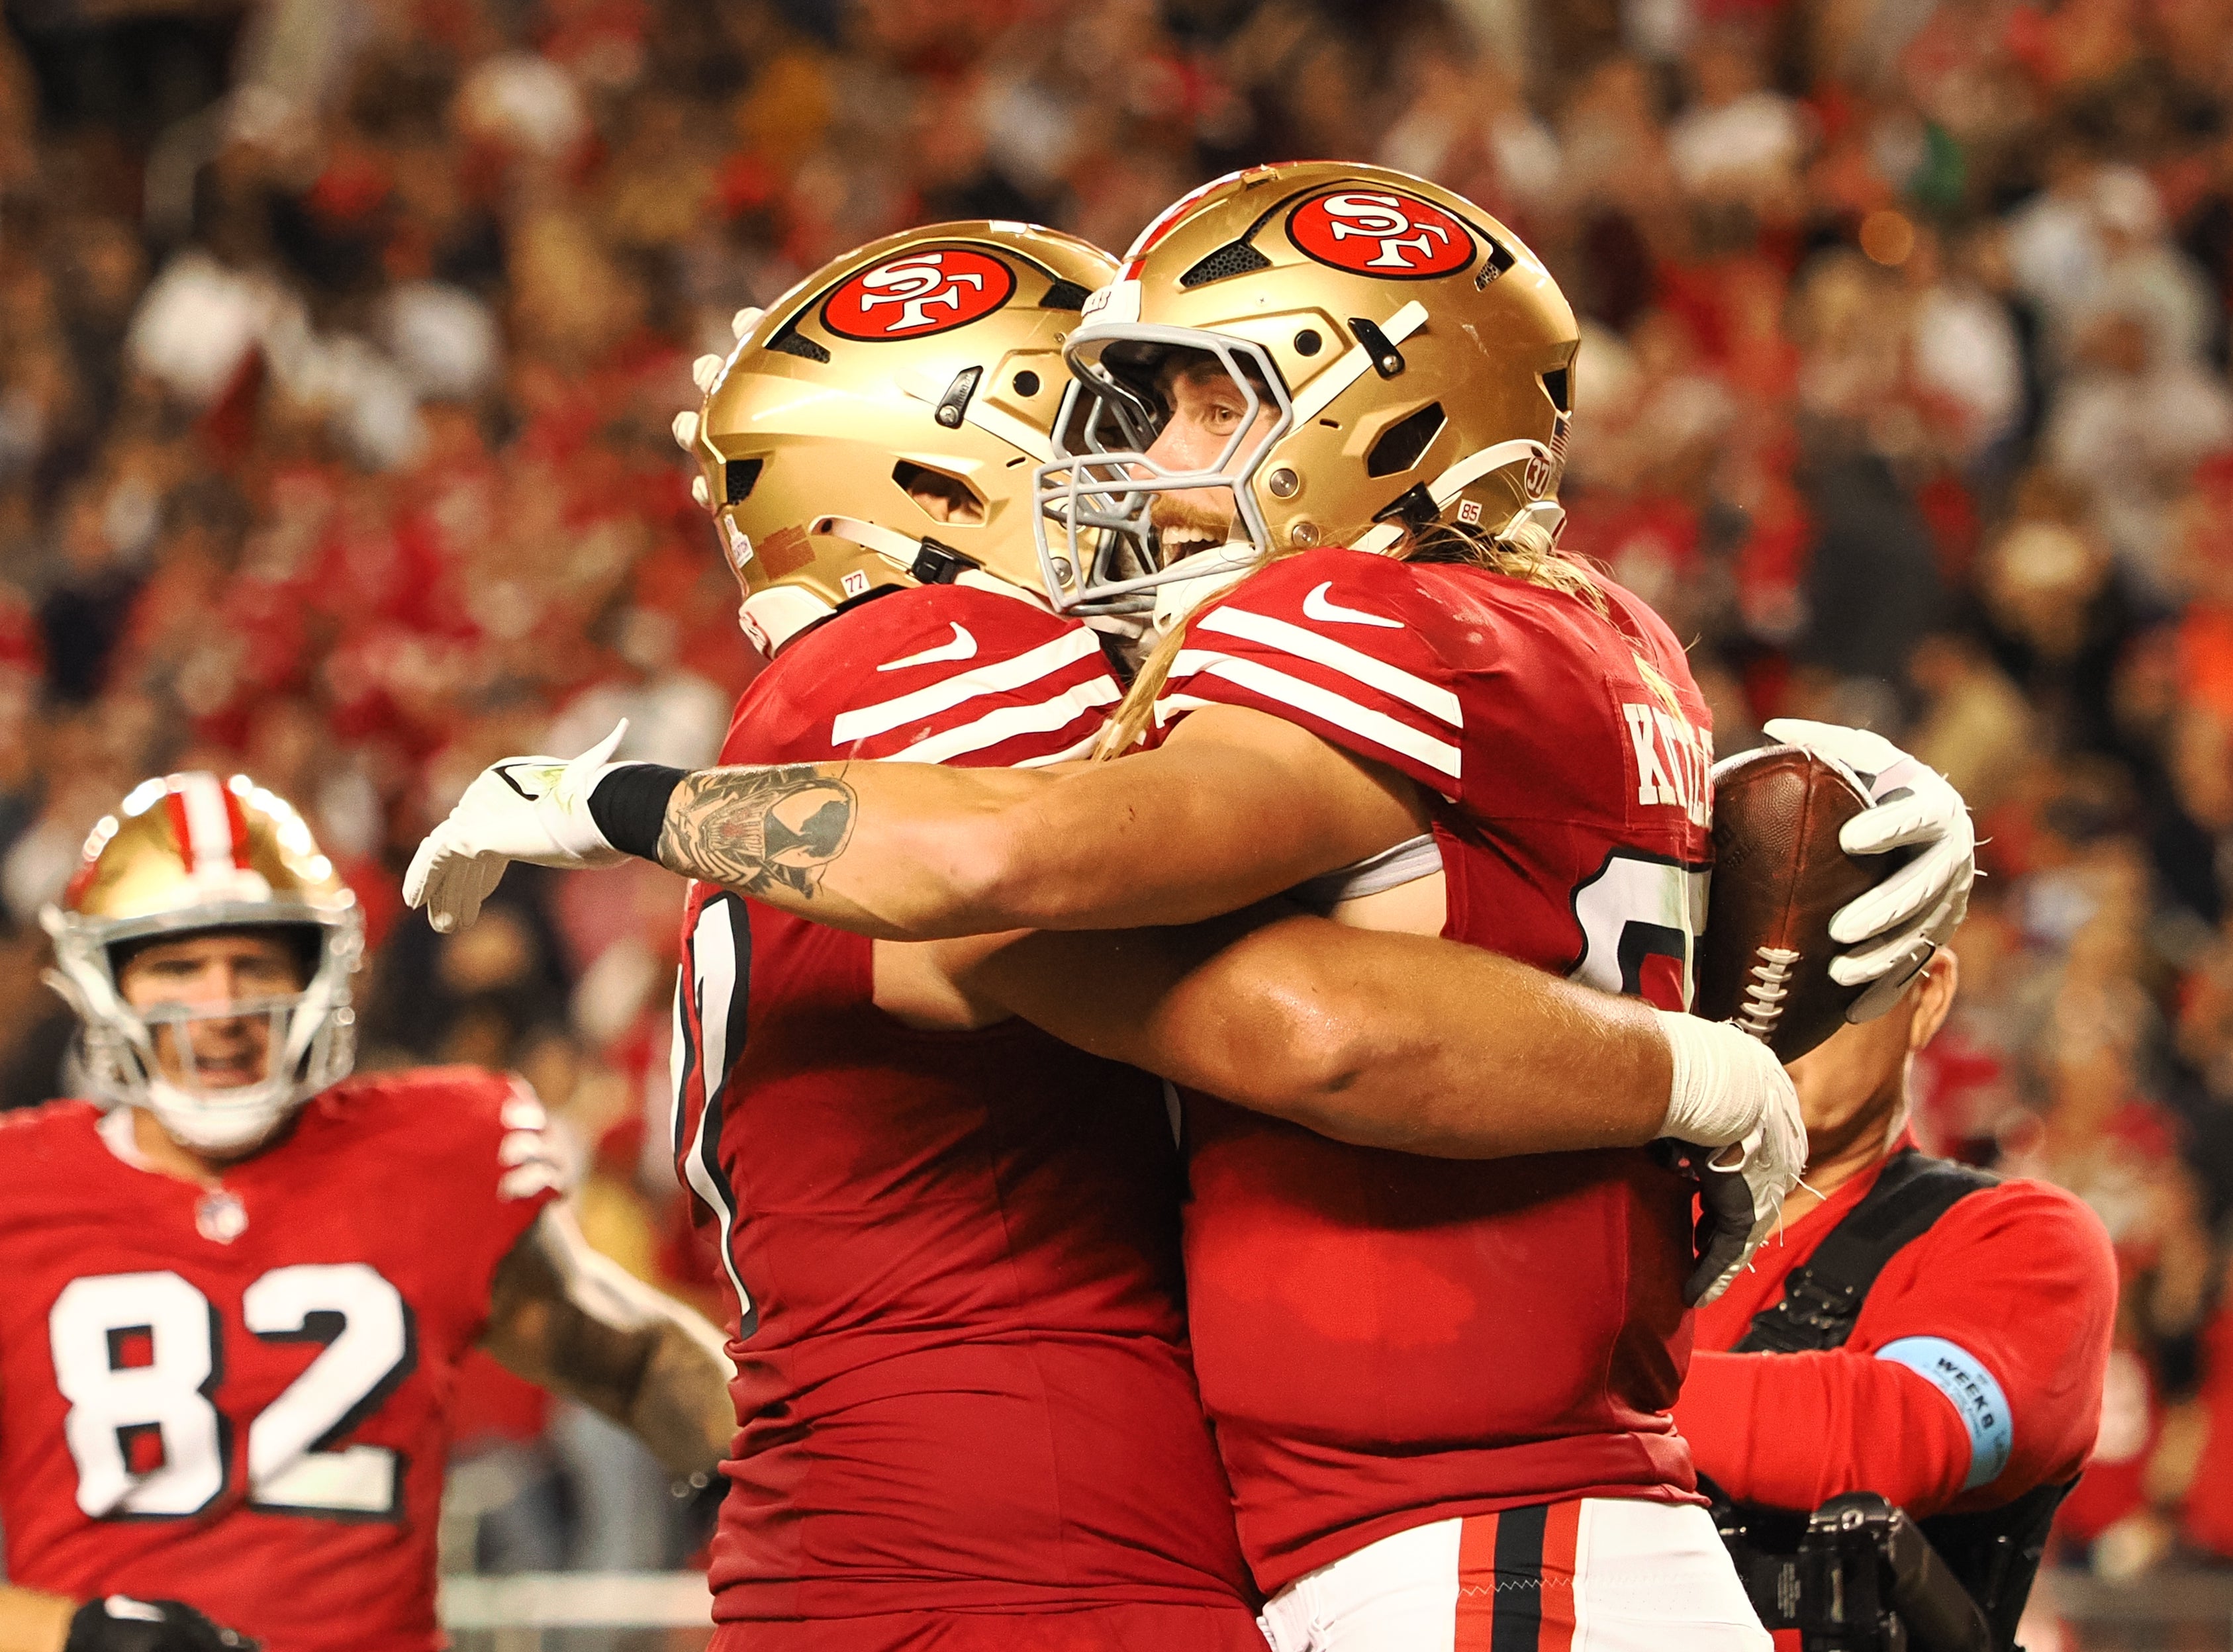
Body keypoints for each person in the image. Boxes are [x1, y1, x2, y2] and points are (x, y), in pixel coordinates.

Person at [412, 165, 1975, 1650]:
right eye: (1101, 411)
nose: (1132, 465)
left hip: (1364, 1526)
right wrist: (1693, 1069)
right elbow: (1008, 889)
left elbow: (1267, 914)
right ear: (947, 470)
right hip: (1049, 1538)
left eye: (1182, 401)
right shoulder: (953, 647)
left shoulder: (1347, 627)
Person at [0, 772, 735, 1652]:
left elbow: (632, 1361)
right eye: (179, 966)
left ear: (321, 971)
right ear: (104, 981)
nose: (222, 1007)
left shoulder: (436, 1150)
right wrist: (67, 1637)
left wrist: (813, 1495)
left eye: (255, 963)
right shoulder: (19, 1187)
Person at [1675, 939, 2118, 1651]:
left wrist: (1562, 1390)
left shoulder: (2023, 1239)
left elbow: (1893, 1439)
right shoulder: (1607, 1227)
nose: (1775, 1014)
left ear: (1927, 993)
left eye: (1825, 972)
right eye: (1743, 972)